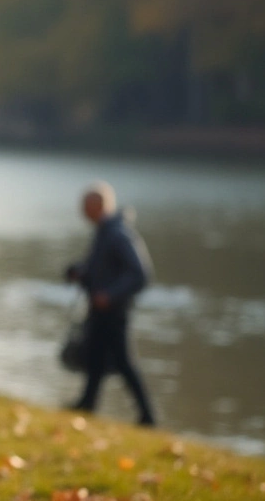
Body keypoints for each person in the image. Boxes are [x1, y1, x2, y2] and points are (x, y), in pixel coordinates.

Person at [65, 181, 156, 427]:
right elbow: (101, 269)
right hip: (99, 309)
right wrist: (80, 273)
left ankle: (148, 416)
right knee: (95, 358)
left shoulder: (117, 234)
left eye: (85, 206)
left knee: (124, 363)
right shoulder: (103, 232)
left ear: (98, 206)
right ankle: (87, 403)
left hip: (114, 312)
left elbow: (140, 273)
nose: (81, 211)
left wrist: (110, 295)